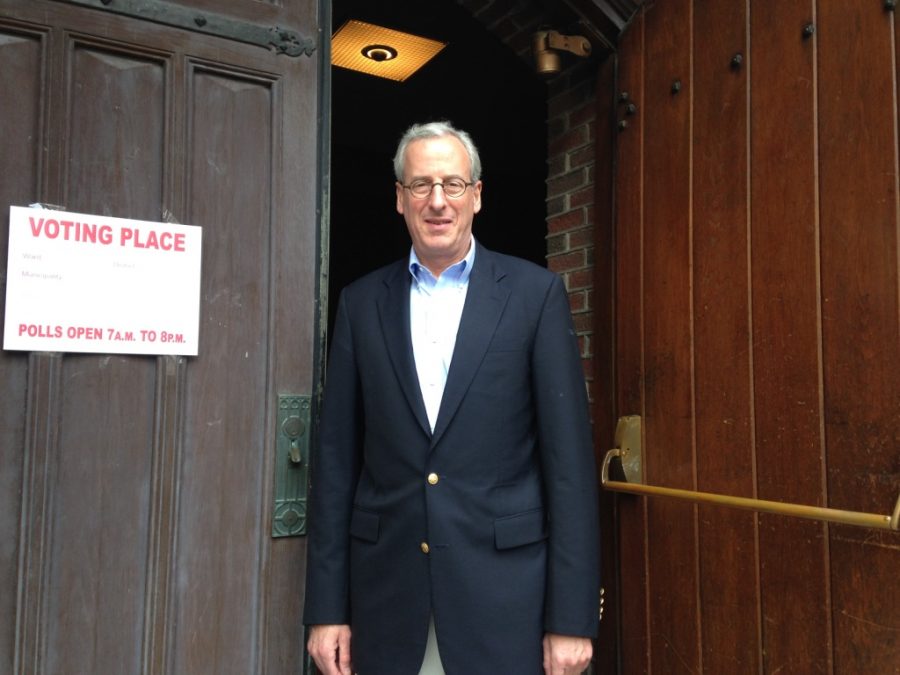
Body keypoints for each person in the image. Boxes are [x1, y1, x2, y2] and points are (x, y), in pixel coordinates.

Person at [303, 121, 600, 675]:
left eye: (452, 184)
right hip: (386, 599)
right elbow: (338, 466)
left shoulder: (535, 296)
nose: (437, 201)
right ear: (399, 198)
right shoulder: (361, 303)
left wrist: (572, 618)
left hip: (506, 599)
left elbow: (569, 471)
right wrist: (326, 610)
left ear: (477, 195)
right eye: (421, 185)